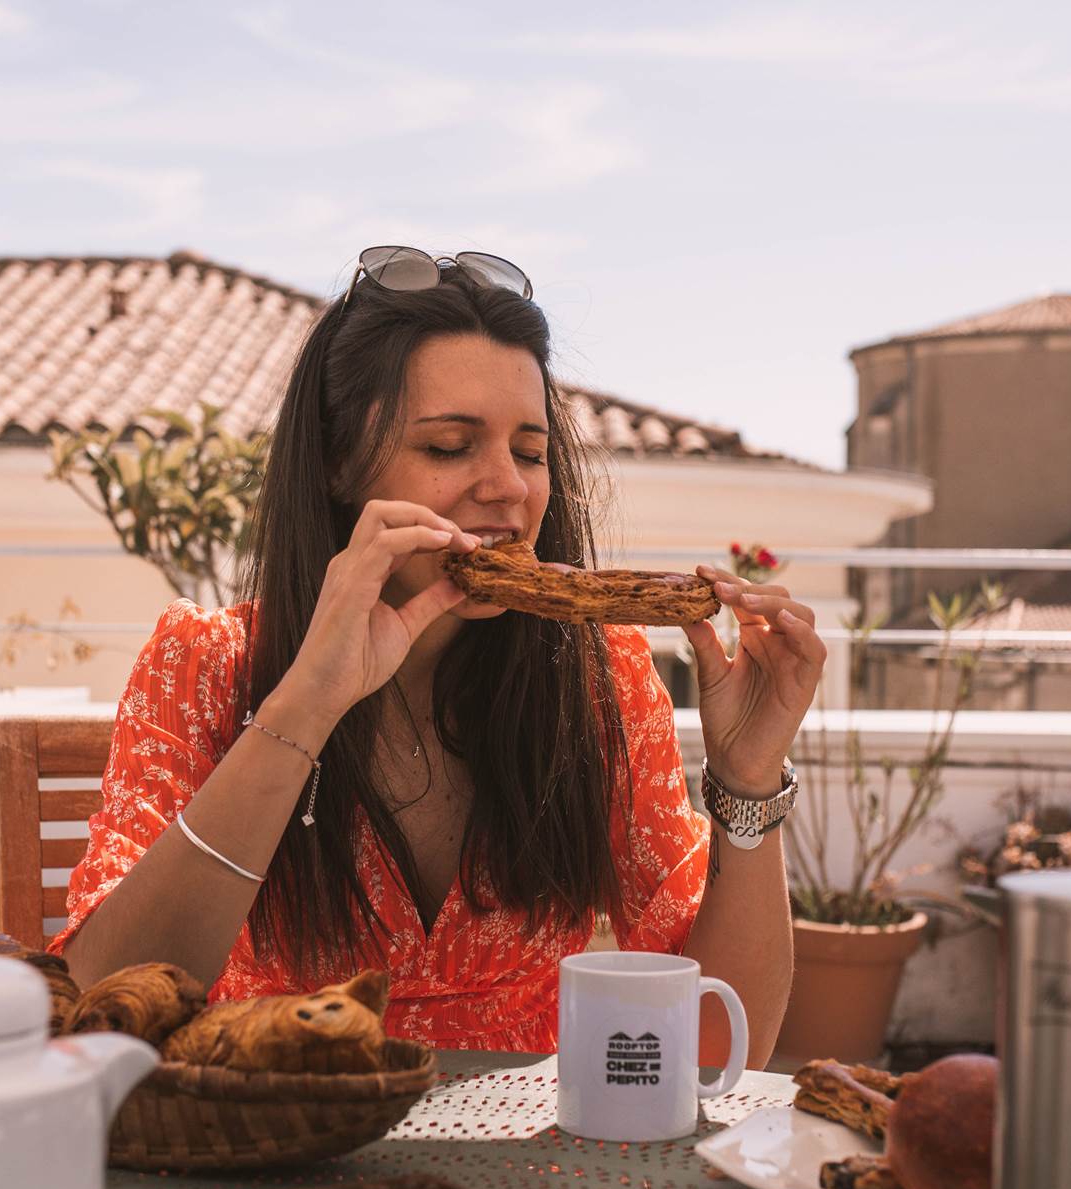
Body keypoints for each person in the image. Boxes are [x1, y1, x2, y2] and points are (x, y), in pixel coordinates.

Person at [51, 247, 824, 1066]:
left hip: (526, 1138)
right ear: (340, 465)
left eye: (530, 453)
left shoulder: (596, 679)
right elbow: (106, 1002)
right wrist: (306, 705)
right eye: (451, 446)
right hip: (278, 1121)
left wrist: (747, 780)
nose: (508, 487)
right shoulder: (209, 666)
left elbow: (716, 1044)